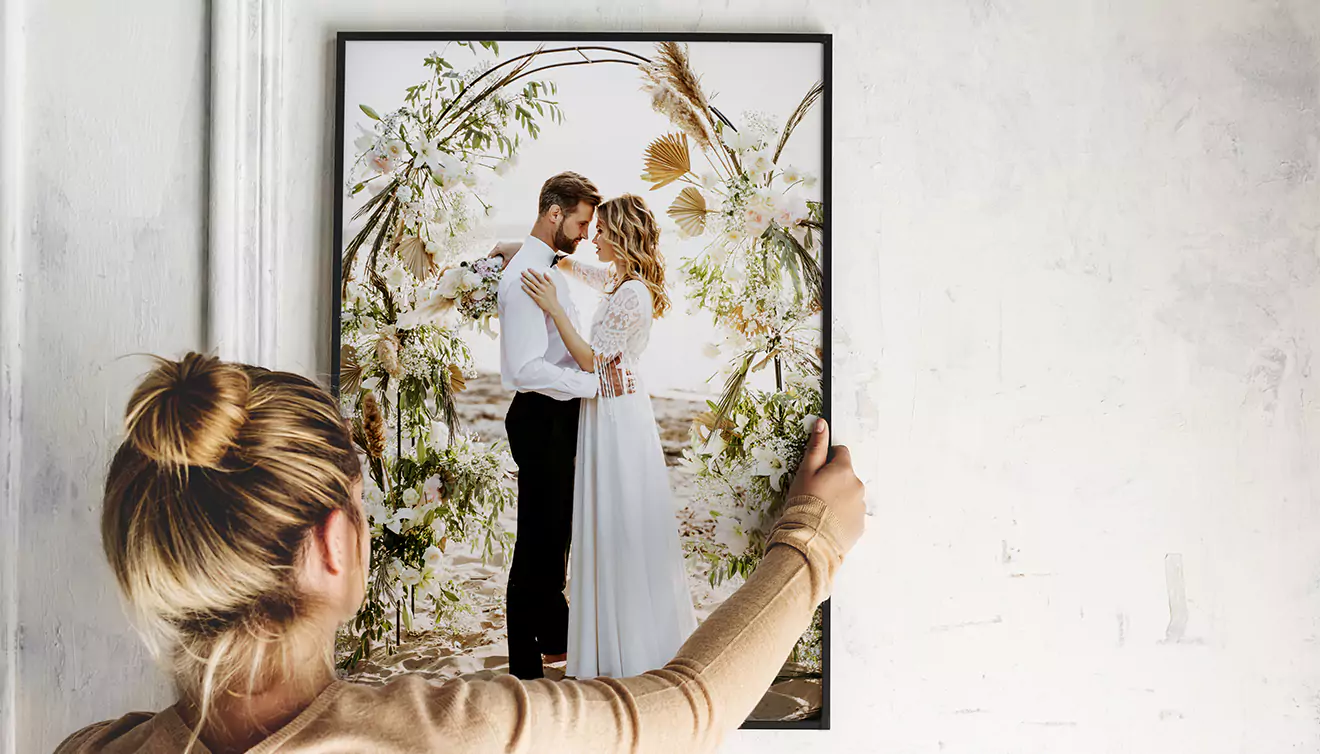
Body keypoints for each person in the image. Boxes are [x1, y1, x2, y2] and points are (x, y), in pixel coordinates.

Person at [55, 351, 865, 754]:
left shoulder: (89, 751)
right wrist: (811, 540)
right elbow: (692, 708)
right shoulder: (442, 733)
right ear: (333, 547)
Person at [517, 193, 698, 678]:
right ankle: (604, 642)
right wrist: (518, 251)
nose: (591, 236)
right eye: (590, 228)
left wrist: (554, 309)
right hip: (605, 411)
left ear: (620, 236)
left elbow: (591, 359)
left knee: (618, 522)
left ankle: (629, 647)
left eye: (600, 231)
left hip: (617, 418)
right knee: (606, 520)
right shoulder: (621, 280)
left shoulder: (634, 294)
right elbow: (575, 267)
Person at [495, 171, 610, 679]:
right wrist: (595, 386)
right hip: (541, 417)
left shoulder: (541, 262)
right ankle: (525, 665)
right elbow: (523, 368)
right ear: (554, 212)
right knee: (538, 544)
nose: (586, 234)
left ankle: (551, 642)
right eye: (581, 223)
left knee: (551, 540)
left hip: (554, 415)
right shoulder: (526, 276)